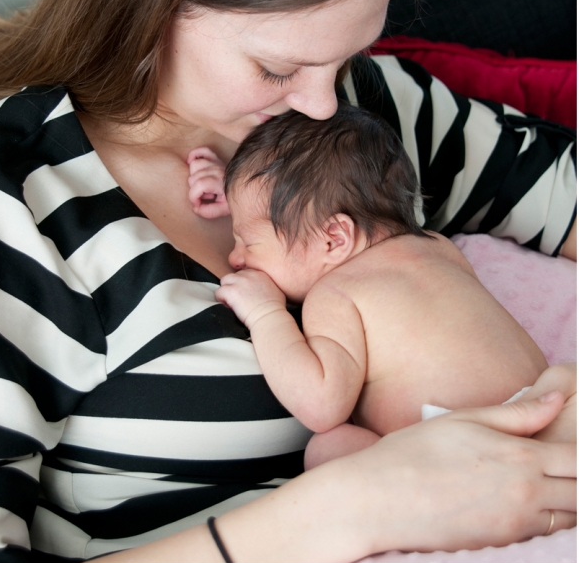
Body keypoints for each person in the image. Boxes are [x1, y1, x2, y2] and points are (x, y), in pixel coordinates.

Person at [0, 0, 576, 563]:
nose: (319, 104)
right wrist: (343, 511)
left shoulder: (362, 112)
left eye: (345, 55)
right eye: (276, 67)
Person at [188, 105, 550, 469]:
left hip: (460, 457)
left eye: (247, 243)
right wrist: (249, 203)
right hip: (545, 420)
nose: (236, 258)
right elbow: (297, 205)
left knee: (332, 446)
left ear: (334, 239)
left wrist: (265, 313)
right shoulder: (440, 248)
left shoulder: (337, 294)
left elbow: (321, 407)